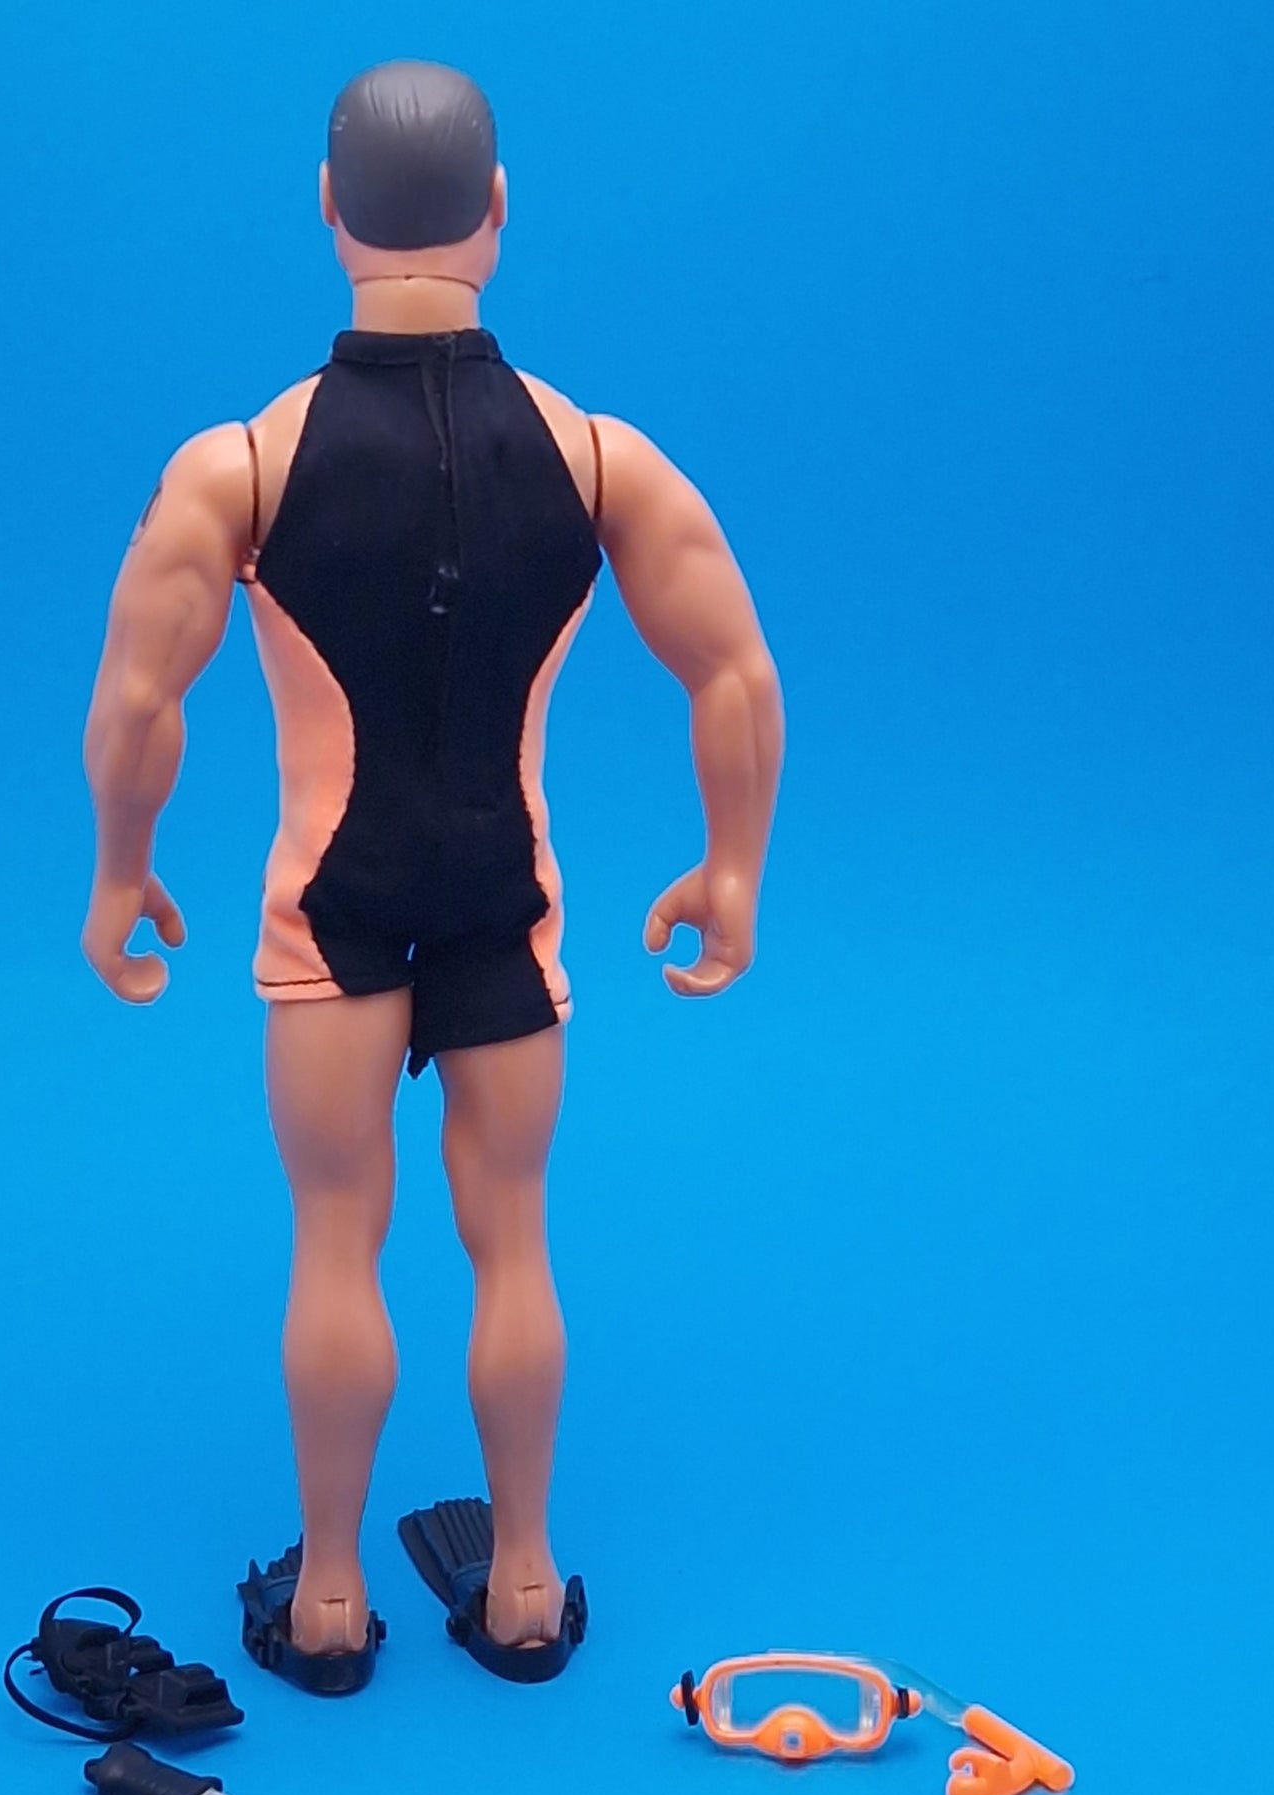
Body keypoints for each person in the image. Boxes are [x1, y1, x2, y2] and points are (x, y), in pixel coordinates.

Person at [81, 60, 783, 1689]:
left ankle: (327, 1600)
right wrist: (730, 867)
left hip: (331, 908)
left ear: (328, 210)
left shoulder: (241, 465)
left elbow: (136, 700)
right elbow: (733, 671)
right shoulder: (597, 456)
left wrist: (122, 870)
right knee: (511, 1239)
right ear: (497, 211)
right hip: (500, 905)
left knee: (336, 1237)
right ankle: (522, 1582)